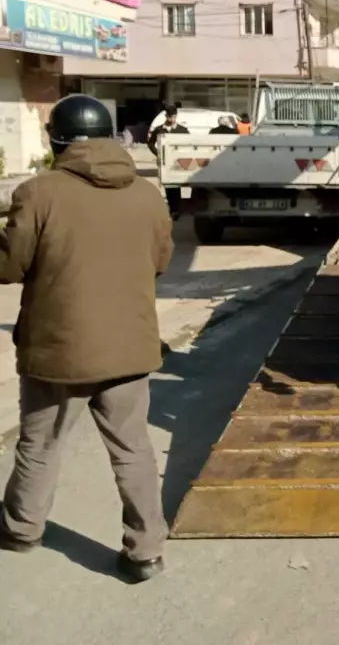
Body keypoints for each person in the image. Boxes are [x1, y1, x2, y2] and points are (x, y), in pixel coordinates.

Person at [0, 95, 174, 583]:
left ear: (57, 140)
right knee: (133, 449)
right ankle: (146, 552)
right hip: (129, 350)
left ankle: (21, 529)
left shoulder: (39, 192)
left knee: (40, 445)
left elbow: (8, 267)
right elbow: (160, 262)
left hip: (59, 352)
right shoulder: (146, 194)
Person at [147, 104, 188, 219]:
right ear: (166, 116)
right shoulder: (160, 129)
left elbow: (188, 144)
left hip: (178, 161)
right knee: (169, 185)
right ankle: (173, 208)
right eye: (169, 117)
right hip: (165, 161)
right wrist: (158, 153)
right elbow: (150, 143)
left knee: (177, 185)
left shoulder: (182, 130)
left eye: (173, 117)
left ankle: (177, 209)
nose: (171, 119)